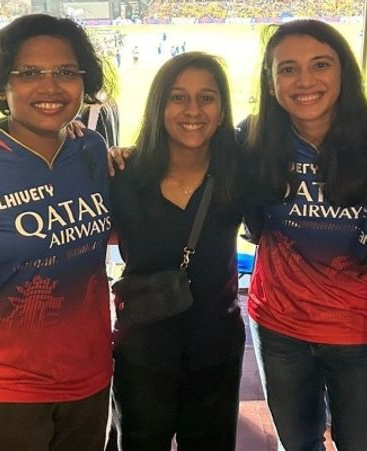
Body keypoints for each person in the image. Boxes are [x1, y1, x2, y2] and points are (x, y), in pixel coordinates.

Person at [0, 14, 114, 450]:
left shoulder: (91, 151)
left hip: (90, 375)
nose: (50, 87)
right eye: (30, 73)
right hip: (3, 388)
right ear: (3, 85)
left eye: (66, 73)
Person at [241, 20, 367, 451]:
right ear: (270, 83)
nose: (304, 81)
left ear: (343, 71)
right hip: (280, 328)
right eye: (287, 69)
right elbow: (181, 154)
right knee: (298, 445)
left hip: (365, 332)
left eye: (320, 65)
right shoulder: (252, 139)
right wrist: (120, 156)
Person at [110, 51, 245, 451]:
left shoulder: (239, 174)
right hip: (142, 351)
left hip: (215, 348)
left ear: (222, 112)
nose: (193, 110)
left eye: (206, 97)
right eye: (178, 96)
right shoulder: (123, 176)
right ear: (159, 106)